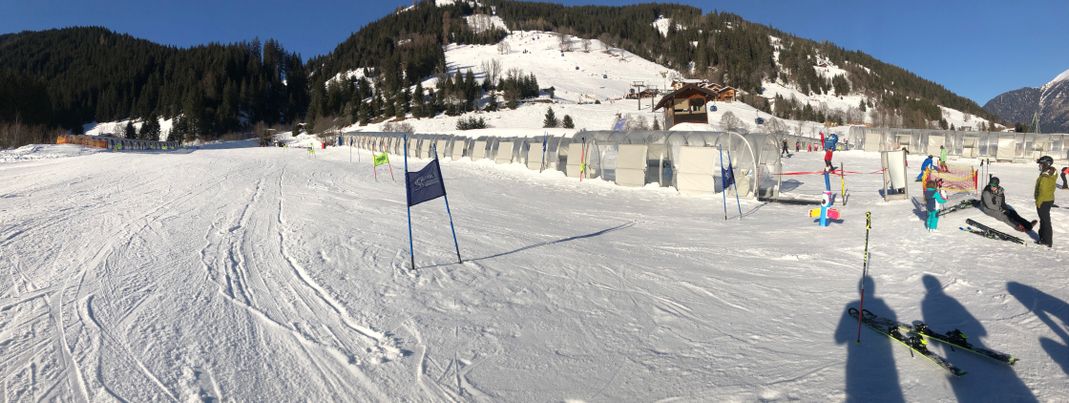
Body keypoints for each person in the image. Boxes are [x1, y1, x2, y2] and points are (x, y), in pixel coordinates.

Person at [1035, 155, 1057, 247]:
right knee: (1044, 220)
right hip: (1048, 199)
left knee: (1045, 221)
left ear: (1046, 164)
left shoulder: (1046, 175)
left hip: (1044, 200)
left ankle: (1047, 241)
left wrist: (1039, 202)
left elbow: (1043, 190)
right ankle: (1043, 238)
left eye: (1040, 164)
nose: (1039, 166)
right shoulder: (1049, 171)